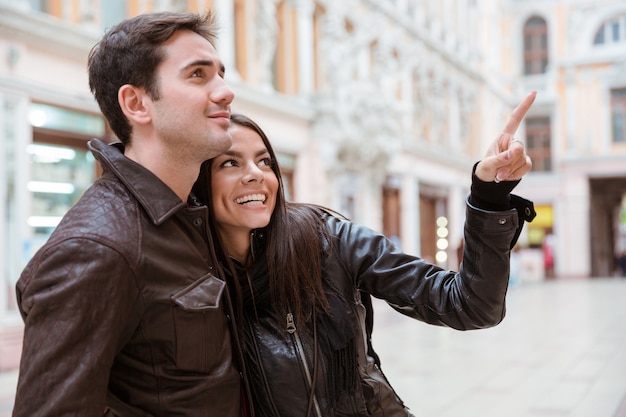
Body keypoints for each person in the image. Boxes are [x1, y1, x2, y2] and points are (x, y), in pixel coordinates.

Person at [192, 92, 538, 417]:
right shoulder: (188, 275)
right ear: (200, 180)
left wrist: (488, 198)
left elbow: (471, 305)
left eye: (265, 161)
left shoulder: (329, 240)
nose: (255, 174)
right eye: (230, 163)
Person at [12, 12, 249, 417]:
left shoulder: (191, 215)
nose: (226, 91)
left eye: (221, 74)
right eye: (198, 74)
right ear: (137, 104)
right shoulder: (97, 248)